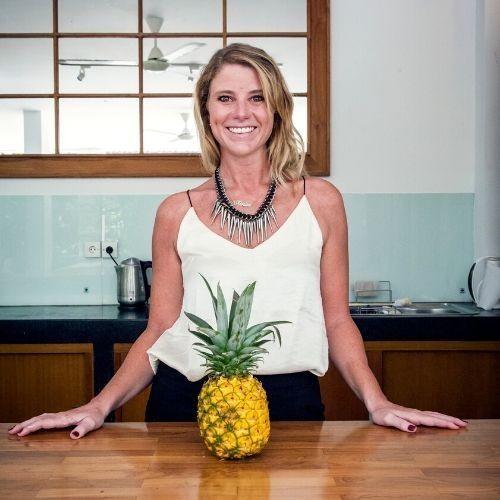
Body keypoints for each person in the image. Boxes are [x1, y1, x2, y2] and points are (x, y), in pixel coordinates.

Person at [8, 43, 467, 439]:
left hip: (290, 402)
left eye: (257, 97)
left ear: (276, 109)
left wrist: (377, 402)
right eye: (225, 98)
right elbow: (160, 328)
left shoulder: (321, 201)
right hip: (184, 403)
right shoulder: (175, 212)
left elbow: (336, 320)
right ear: (207, 112)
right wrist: (97, 407)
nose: (241, 113)